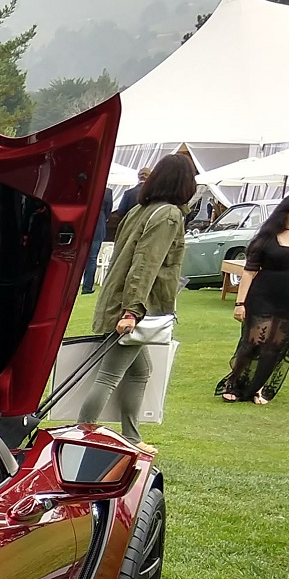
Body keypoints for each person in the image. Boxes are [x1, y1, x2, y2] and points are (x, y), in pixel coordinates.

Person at [79, 152, 195, 439]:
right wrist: (132, 311)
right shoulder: (168, 214)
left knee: (140, 372)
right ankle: (80, 434)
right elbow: (146, 263)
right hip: (135, 307)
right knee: (109, 375)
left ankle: (132, 438)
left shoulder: (138, 210)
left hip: (122, 300)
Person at [220, 193, 289, 405]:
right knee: (252, 343)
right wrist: (240, 303)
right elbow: (249, 272)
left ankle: (258, 387)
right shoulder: (265, 238)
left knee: (276, 346)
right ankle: (234, 383)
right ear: (286, 211)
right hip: (262, 297)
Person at [82, 184, 113, 295]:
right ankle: (87, 287)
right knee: (92, 257)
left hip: (83, 224)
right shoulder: (107, 192)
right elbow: (108, 210)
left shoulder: (86, 189)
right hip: (98, 226)